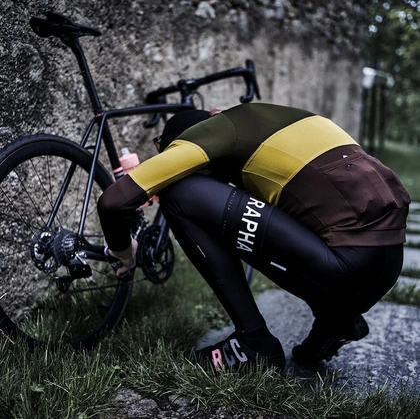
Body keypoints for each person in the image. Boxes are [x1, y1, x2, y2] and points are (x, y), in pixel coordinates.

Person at [97, 103, 410, 372]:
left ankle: (254, 341)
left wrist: (124, 252)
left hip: (346, 262)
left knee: (180, 194)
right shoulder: (267, 122)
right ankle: (337, 319)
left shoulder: (213, 132)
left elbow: (113, 201)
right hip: (387, 263)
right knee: (286, 214)